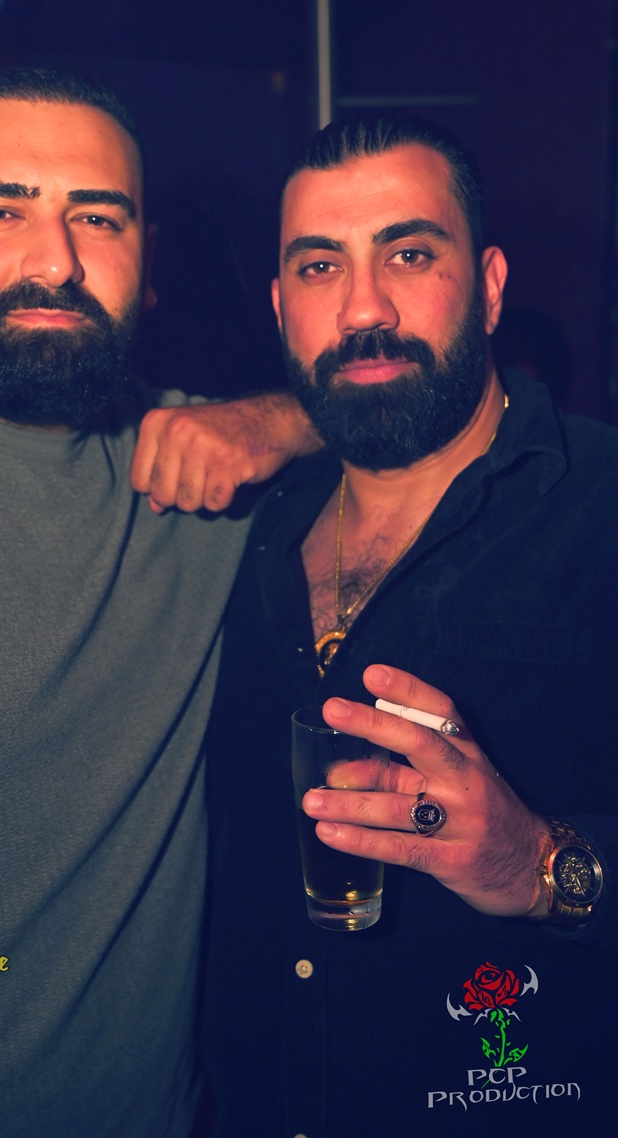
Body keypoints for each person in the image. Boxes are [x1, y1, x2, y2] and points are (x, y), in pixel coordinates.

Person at [0, 66, 318, 1137]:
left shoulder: (203, 473)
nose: (55, 260)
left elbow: (432, 405)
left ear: (147, 263)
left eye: (98, 217)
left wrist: (282, 419)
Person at [203, 114, 618, 1136]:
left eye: (408, 254)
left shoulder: (600, 509)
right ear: (280, 307)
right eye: (319, 266)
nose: (362, 307)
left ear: (489, 286)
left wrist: (536, 863)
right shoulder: (236, 534)